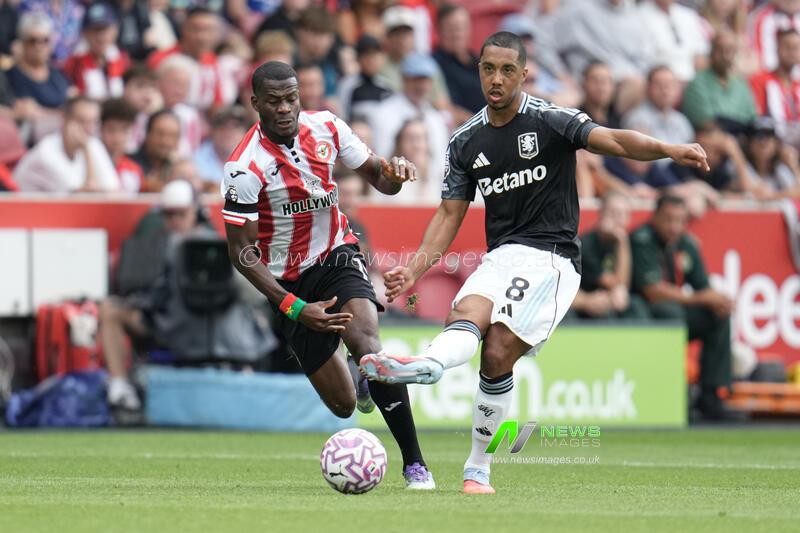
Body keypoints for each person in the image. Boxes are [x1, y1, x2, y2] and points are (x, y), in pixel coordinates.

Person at [360, 32, 710, 494]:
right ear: (479, 71)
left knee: (499, 349)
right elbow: (449, 214)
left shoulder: (551, 119)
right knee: (465, 315)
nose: (497, 79)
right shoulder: (465, 141)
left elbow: (616, 142)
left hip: (553, 259)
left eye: (508, 70)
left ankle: (476, 465)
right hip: (502, 255)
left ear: (524, 74)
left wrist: (668, 149)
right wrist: (417, 270)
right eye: (488, 69)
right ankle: (426, 366)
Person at [220, 61, 435, 489]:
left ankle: (416, 465)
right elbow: (241, 251)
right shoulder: (243, 167)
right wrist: (294, 307)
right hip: (288, 283)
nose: (285, 108)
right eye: (275, 101)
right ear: (255, 103)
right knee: (342, 406)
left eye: (292, 98)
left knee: (370, 347)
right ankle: (362, 382)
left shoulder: (328, 128)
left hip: (337, 254)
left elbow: (379, 179)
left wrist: (393, 175)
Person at [631, 194, 734, 420]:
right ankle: (676, 394)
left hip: (677, 309)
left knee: (717, 316)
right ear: (655, 216)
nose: (674, 226)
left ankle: (711, 395)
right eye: (668, 219)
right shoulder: (642, 239)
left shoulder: (686, 243)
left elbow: (702, 286)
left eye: (680, 220)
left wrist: (719, 300)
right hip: (642, 312)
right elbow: (653, 291)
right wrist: (702, 298)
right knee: (671, 313)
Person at [368, 52, 449, 182]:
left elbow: (442, 163)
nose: (421, 86)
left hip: (430, 188)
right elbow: (381, 158)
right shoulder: (384, 113)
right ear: (405, 79)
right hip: (394, 187)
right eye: (416, 79)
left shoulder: (436, 118)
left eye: (425, 80)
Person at [13, 96, 119, 192]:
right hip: (22, 210)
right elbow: (86, 197)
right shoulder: (46, 152)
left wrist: (87, 148)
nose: (89, 129)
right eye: (81, 121)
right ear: (65, 120)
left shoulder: (94, 144)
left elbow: (114, 191)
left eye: (94, 122)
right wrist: (86, 150)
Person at [571, 194, 648, 319]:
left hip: (615, 297)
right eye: (613, 213)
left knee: (636, 306)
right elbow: (617, 283)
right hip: (587, 298)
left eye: (623, 214)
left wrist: (622, 242)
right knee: (605, 312)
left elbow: (622, 289)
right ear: (601, 214)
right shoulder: (586, 244)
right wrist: (621, 241)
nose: (618, 219)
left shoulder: (633, 241)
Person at [682, 29, 758, 134]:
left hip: (743, 138)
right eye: (720, 49)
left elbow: (753, 119)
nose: (725, 55)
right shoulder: (698, 83)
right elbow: (705, 123)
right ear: (711, 52)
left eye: (730, 50)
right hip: (712, 139)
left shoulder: (741, 84)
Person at [147, 7, 224, 110]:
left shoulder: (212, 61)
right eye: (195, 29)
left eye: (209, 30)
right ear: (183, 29)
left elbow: (216, 103)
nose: (202, 37)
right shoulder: (160, 59)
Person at [63, 2, 129, 100]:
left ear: (115, 30)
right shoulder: (73, 63)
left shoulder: (123, 60)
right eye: (95, 30)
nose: (101, 37)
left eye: (105, 29)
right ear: (85, 33)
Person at [636, 0, 709, 83]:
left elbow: (700, 51)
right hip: (663, 76)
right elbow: (646, 58)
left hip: (692, 75)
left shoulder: (688, 14)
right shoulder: (640, 16)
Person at [750, 28, 800, 147]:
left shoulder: (798, 84)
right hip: (771, 140)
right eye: (787, 46)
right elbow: (757, 118)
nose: (792, 51)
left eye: (796, 47)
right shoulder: (760, 81)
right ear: (777, 49)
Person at [622, 66, 694, 146]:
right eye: (659, 84)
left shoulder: (681, 120)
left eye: (669, 84)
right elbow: (635, 156)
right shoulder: (636, 119)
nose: (665, 90)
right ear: (647, 88)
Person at [432, 4, 484, 118]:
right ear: (438, 30)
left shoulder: (481, 62)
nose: (457, 33)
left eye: (462, 27)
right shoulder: (432, 65)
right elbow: (440, 105)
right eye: (451, 28)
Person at [741, 116, 800, 199]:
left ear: (776, 143)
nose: (763, 142)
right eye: (758, 136)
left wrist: (794, 166)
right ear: (749, 143)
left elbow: (798, 191)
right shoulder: (742, 168)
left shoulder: (779, 169)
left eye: (768, 136)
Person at [194, 106, 248, 192]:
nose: (228, 132)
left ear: (245, 133)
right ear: (212, 131)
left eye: (235, 126)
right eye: (222, 126)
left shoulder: (253, 158)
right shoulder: (197, 159)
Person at [130, 109, 181, 192]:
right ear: (148, 134)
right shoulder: (129, 164)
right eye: (160, 134)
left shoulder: (176, 167)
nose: (166, 142)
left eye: (173, 136)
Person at [100, 97, 143, 193]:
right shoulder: (89, 165)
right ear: (100, 129)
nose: (117, 137)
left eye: (124, 130)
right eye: (111, 130)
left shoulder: (134, 169)